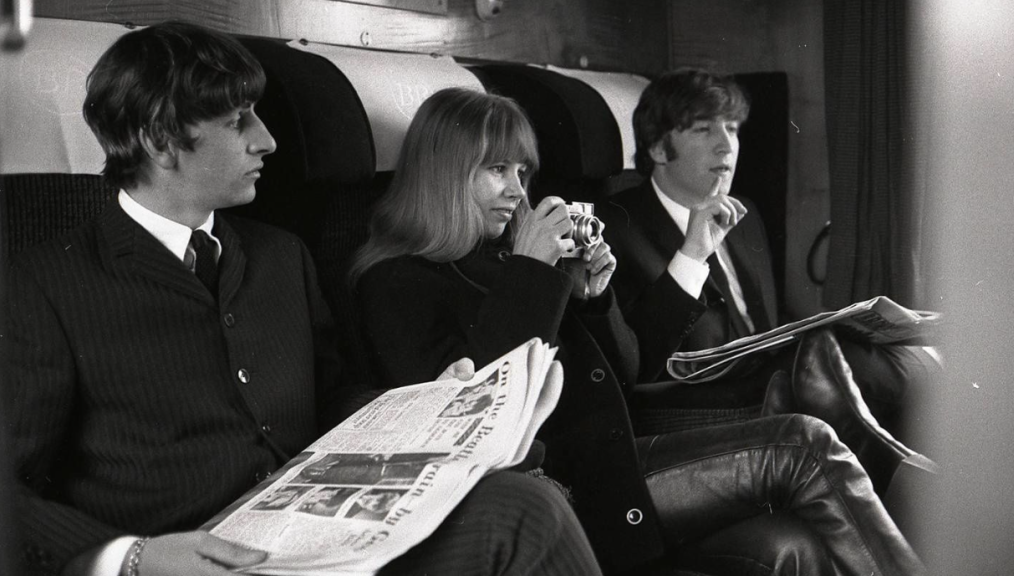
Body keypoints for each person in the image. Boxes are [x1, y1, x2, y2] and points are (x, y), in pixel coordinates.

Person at [2, 22, 603, 576]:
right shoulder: (44, 284)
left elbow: (333, 395)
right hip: (185, 554)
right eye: (239, 121)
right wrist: (133, 558)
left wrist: (425, 409)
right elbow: (12, 490)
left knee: (527, 505)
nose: (266, 140)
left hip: (320, 534)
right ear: (161, 139)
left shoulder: (279, 256)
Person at [351, 86, 926, 576]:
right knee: (802, 443)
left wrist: (592, 301)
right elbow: (474, 414)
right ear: (447, 174)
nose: (517, 191)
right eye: (496, 170)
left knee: (807, 432)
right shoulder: (396, 281)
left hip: (613, 454)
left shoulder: (507, 261)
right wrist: (533, 274)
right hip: (566, 484)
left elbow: (626, 371)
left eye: (522, 171)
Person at [595, 68, 938, 495]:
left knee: (902, 356)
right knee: (845, 360)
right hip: (688, 407)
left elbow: (762, 328)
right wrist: (692, 255)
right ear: (658, 148)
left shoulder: (745, 215)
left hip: (765, 386)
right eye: (704, 129)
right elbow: (633, 362)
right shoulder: (614, 224)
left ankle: (929, 474)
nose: (726, 145)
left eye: (733, 129)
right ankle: (916, 484)